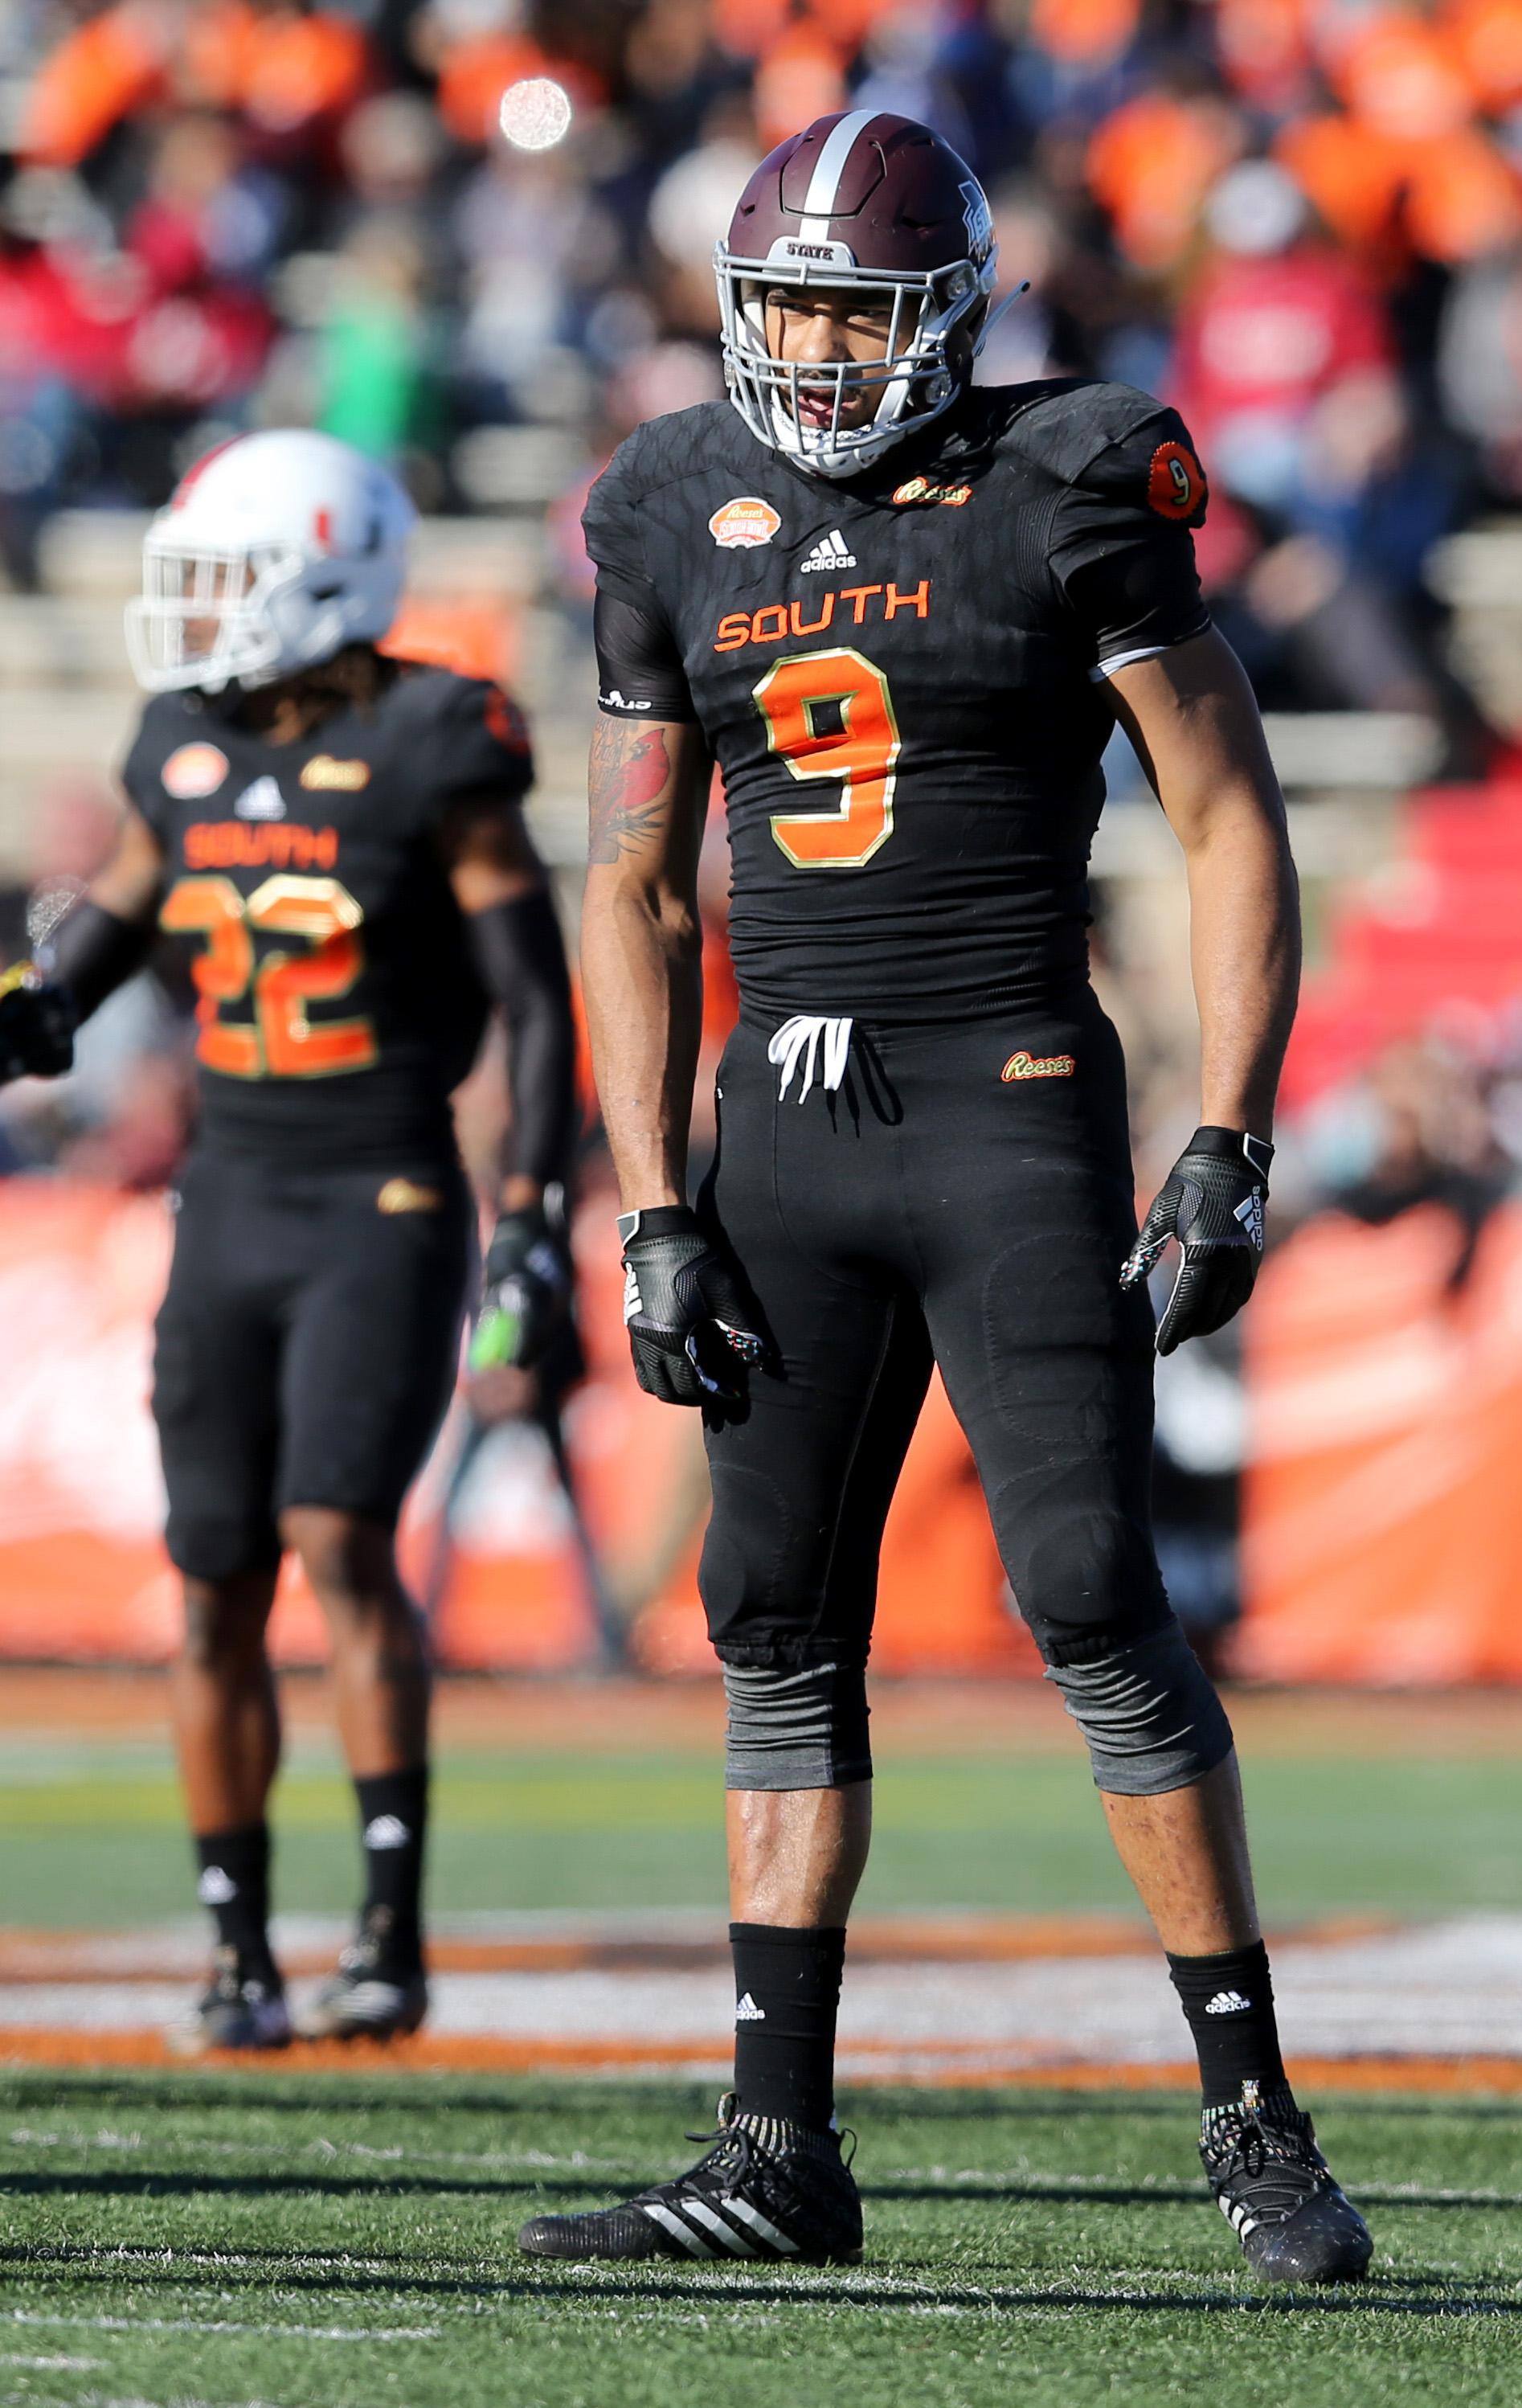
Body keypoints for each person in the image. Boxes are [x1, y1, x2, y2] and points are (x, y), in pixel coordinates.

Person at [522, 109, 1373, 2283]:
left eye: (848, 303)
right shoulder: (660, 497)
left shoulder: (1073, 474)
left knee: (1091, 1589)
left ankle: (1253, 2117)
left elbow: (1229, 816)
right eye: (782, 299)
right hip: (775, 1131)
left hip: (1001, 1092)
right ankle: (772, 2144)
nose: (810, 344)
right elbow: (624, 877)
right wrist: (648, 1199)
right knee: (773, 1624)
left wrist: (1230, 1131)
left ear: (946, 313)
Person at [0, 428, 576, 2050]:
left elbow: (533, 1003)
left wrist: (530, 1212)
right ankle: (237, 1949)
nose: (191, 614)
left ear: (327, 577)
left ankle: (385, 1930)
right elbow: (98, 939)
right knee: (212, 1579)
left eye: (225, 579)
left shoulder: (430, 735)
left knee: (336, 1535)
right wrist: (32, 1008)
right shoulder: (175, 743)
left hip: (380, 1191)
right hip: (230, 1197)